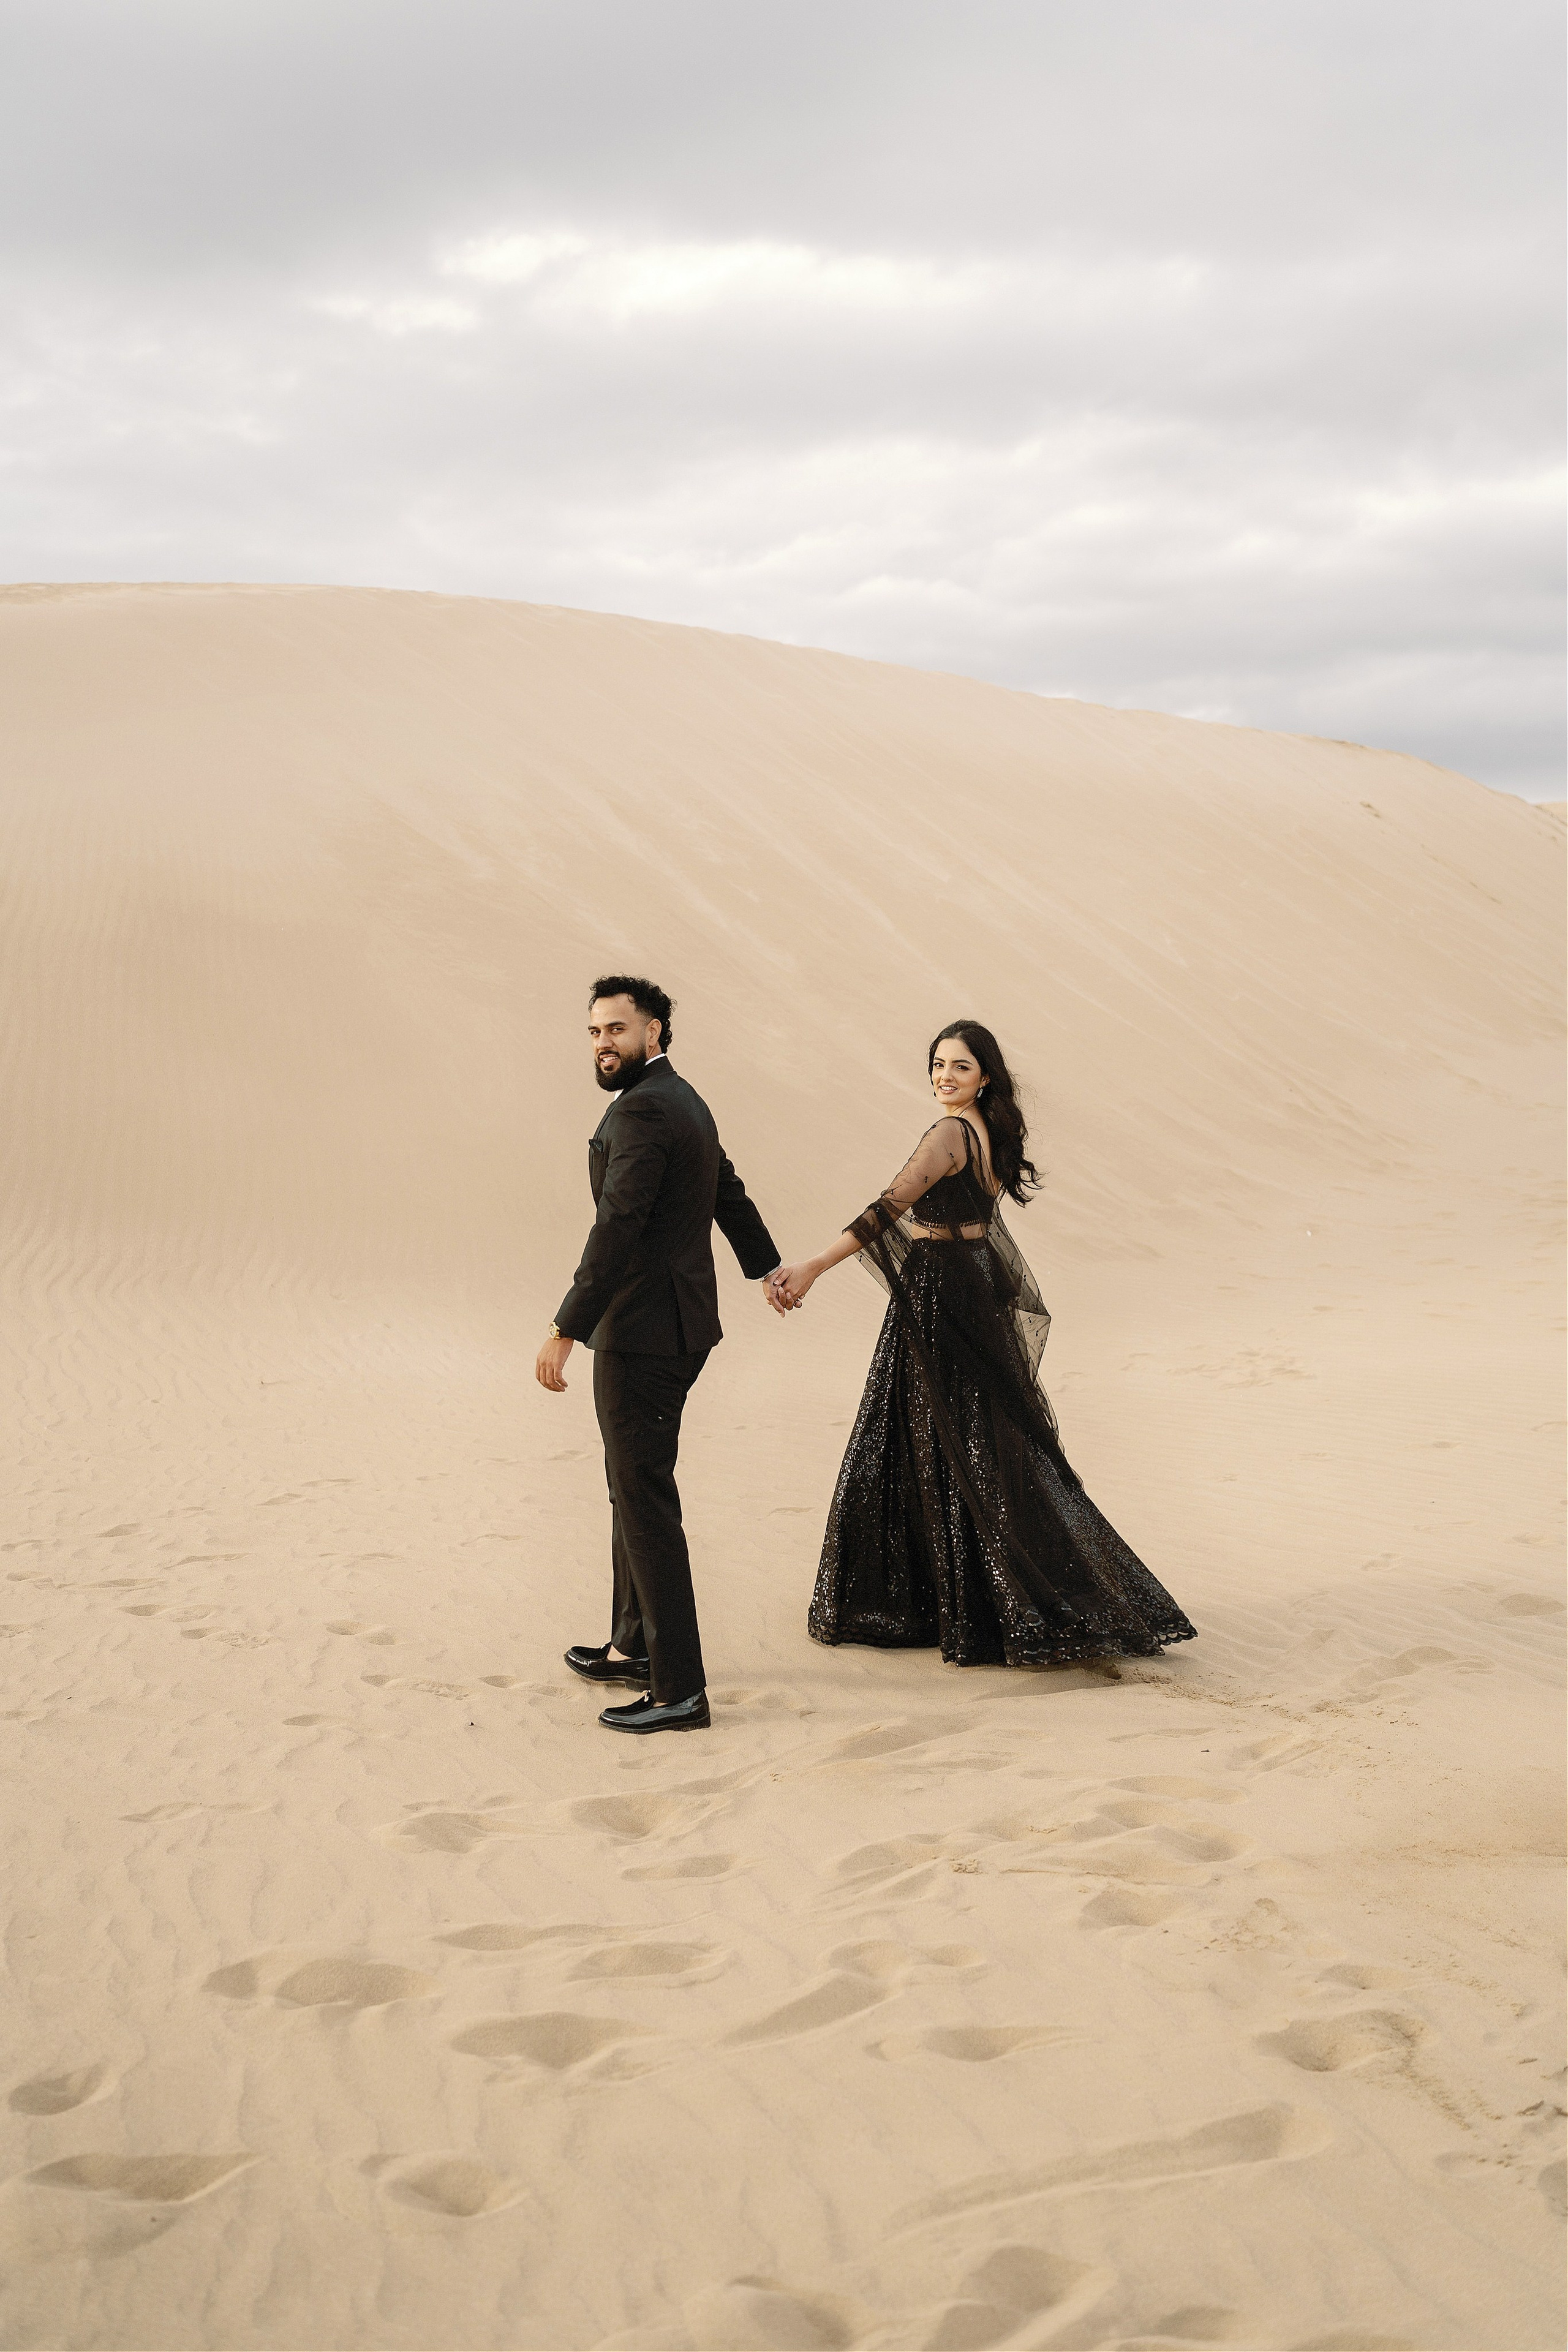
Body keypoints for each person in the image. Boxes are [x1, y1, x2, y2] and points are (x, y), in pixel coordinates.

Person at [767, 1021, 1196, 1669]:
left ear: (984, 1075)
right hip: (970, 1280)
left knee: (938, 1436)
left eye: (960, 1067)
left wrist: (811, 1267)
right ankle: (984, 1591)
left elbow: (886, 1209)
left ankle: (969, 1599)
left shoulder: (947, 1133)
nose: (945, 1076)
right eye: (937, 1065)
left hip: (943, 1289)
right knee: (975, 1439)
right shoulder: (990, 1132)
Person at [537, 976, 781, 1733]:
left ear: (656, 1032)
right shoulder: (681, 1099)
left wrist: (566, 1326)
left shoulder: (646, 1107)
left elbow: (619, 1226)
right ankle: (632, 1644)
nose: (604, 1042)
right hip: (673, 1325)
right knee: (631, 1487)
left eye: (617, 1029)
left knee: (642, 1500)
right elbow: (726, 1191)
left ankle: (679, 1689)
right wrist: (765, 1265)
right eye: (594, 1031)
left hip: (643, 1333)